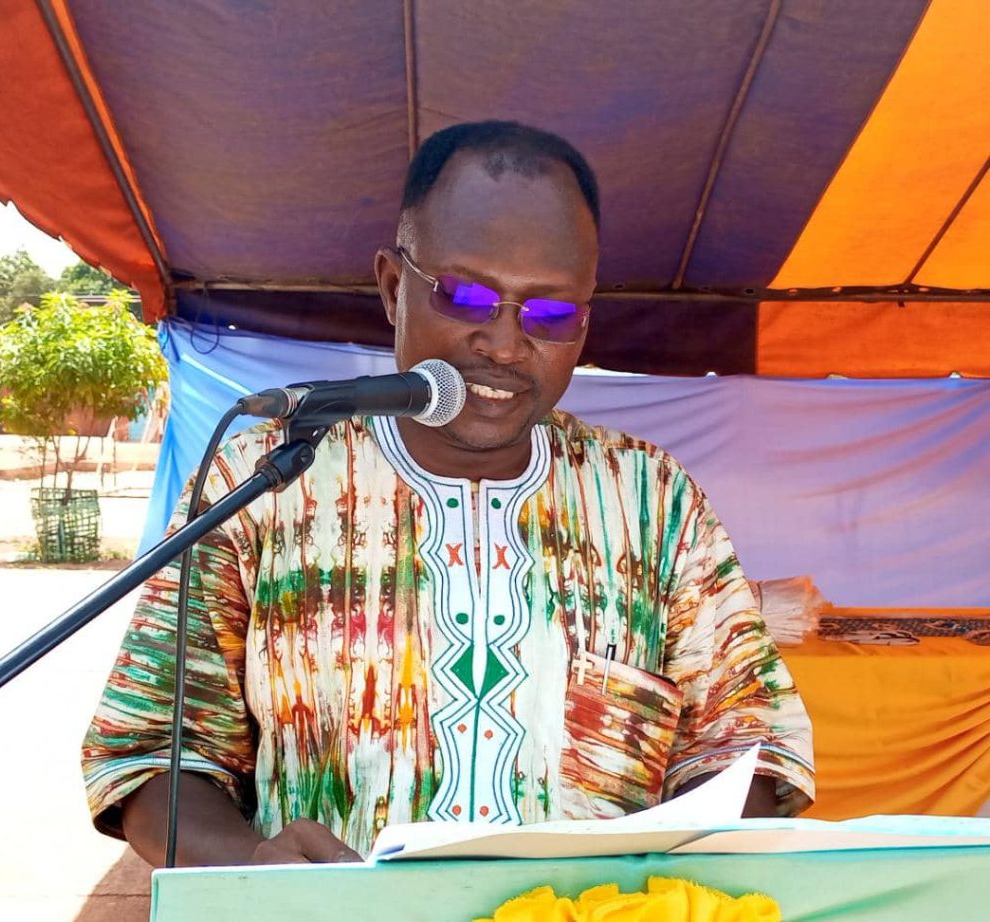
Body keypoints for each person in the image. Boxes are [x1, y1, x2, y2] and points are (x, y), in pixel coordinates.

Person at [82, 121, 814, 867]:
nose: (505, 344)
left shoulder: (654, 502)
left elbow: (748, 746)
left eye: (551, 314)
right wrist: (251, 869)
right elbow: (151, 751)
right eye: (466, 296)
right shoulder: (262, 482)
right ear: (393, 288)